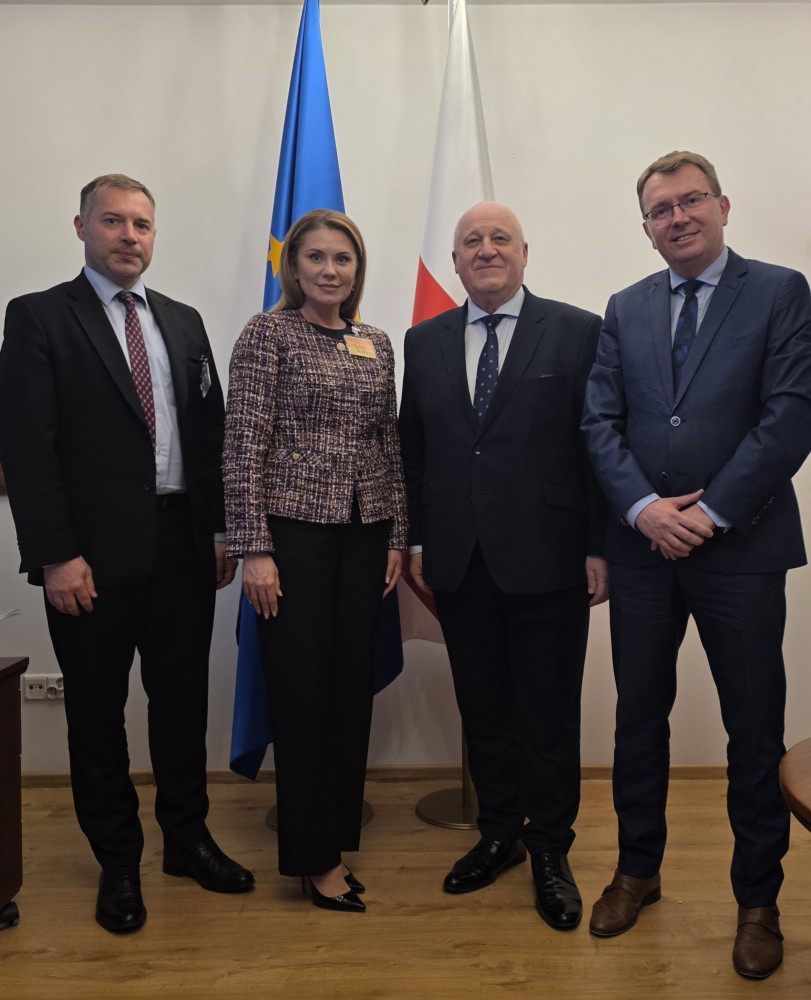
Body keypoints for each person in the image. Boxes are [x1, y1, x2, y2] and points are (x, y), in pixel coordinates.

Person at [0, 174, 254, 933]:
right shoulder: (39, 316)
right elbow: (27, 447)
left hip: (182, 545)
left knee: (180, 706)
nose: (128, 236)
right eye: (112, 221)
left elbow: (209, 436)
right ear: (81, 226)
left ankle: (187, 841)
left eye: (141, 224)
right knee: (97, 714)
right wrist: (55, 555)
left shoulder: (183, 321)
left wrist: (219, 531)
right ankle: (117, 861)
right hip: (89, 559)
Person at [582, 151, 811, 978]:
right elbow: (597, 423)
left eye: (690, 201)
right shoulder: (625, 306)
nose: (676, 217)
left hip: (740, 550)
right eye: (659, 209)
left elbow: (790, 415)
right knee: (637, 720)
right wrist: (643, 509)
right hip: (642, 551)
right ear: (645, 228)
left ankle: (757, 903)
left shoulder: (778, 291)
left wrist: (707, 515)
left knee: (752, 728)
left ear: (722, 206)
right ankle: (635, 872)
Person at [398, 202, 608, 930]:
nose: (485, 250)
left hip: (552, 557)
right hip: (458, 559)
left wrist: (599, 545)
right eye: (470, 242)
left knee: (547, 715)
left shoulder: (578, 330)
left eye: (499, 239)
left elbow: (598, 445)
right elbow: (414, 449)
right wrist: (415, 541)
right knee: (483, 709)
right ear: (454, 261)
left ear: (523, 252)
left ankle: (549, 849)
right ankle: (498, 835)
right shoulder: (423, 340)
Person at [223, 209, 407, 913]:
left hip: (365, 536)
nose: (331, 270)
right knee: (300, 696)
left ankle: (335, 841)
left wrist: (397, 537)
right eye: (317, 257)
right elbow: (243, 445)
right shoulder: (267, 334)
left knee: (347, 693)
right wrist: (255, 549)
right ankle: (312, 859)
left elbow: (389, 444)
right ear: (293, 266)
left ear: (357, 270)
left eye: (343, 258)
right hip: (292, 540)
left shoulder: (374, 342)